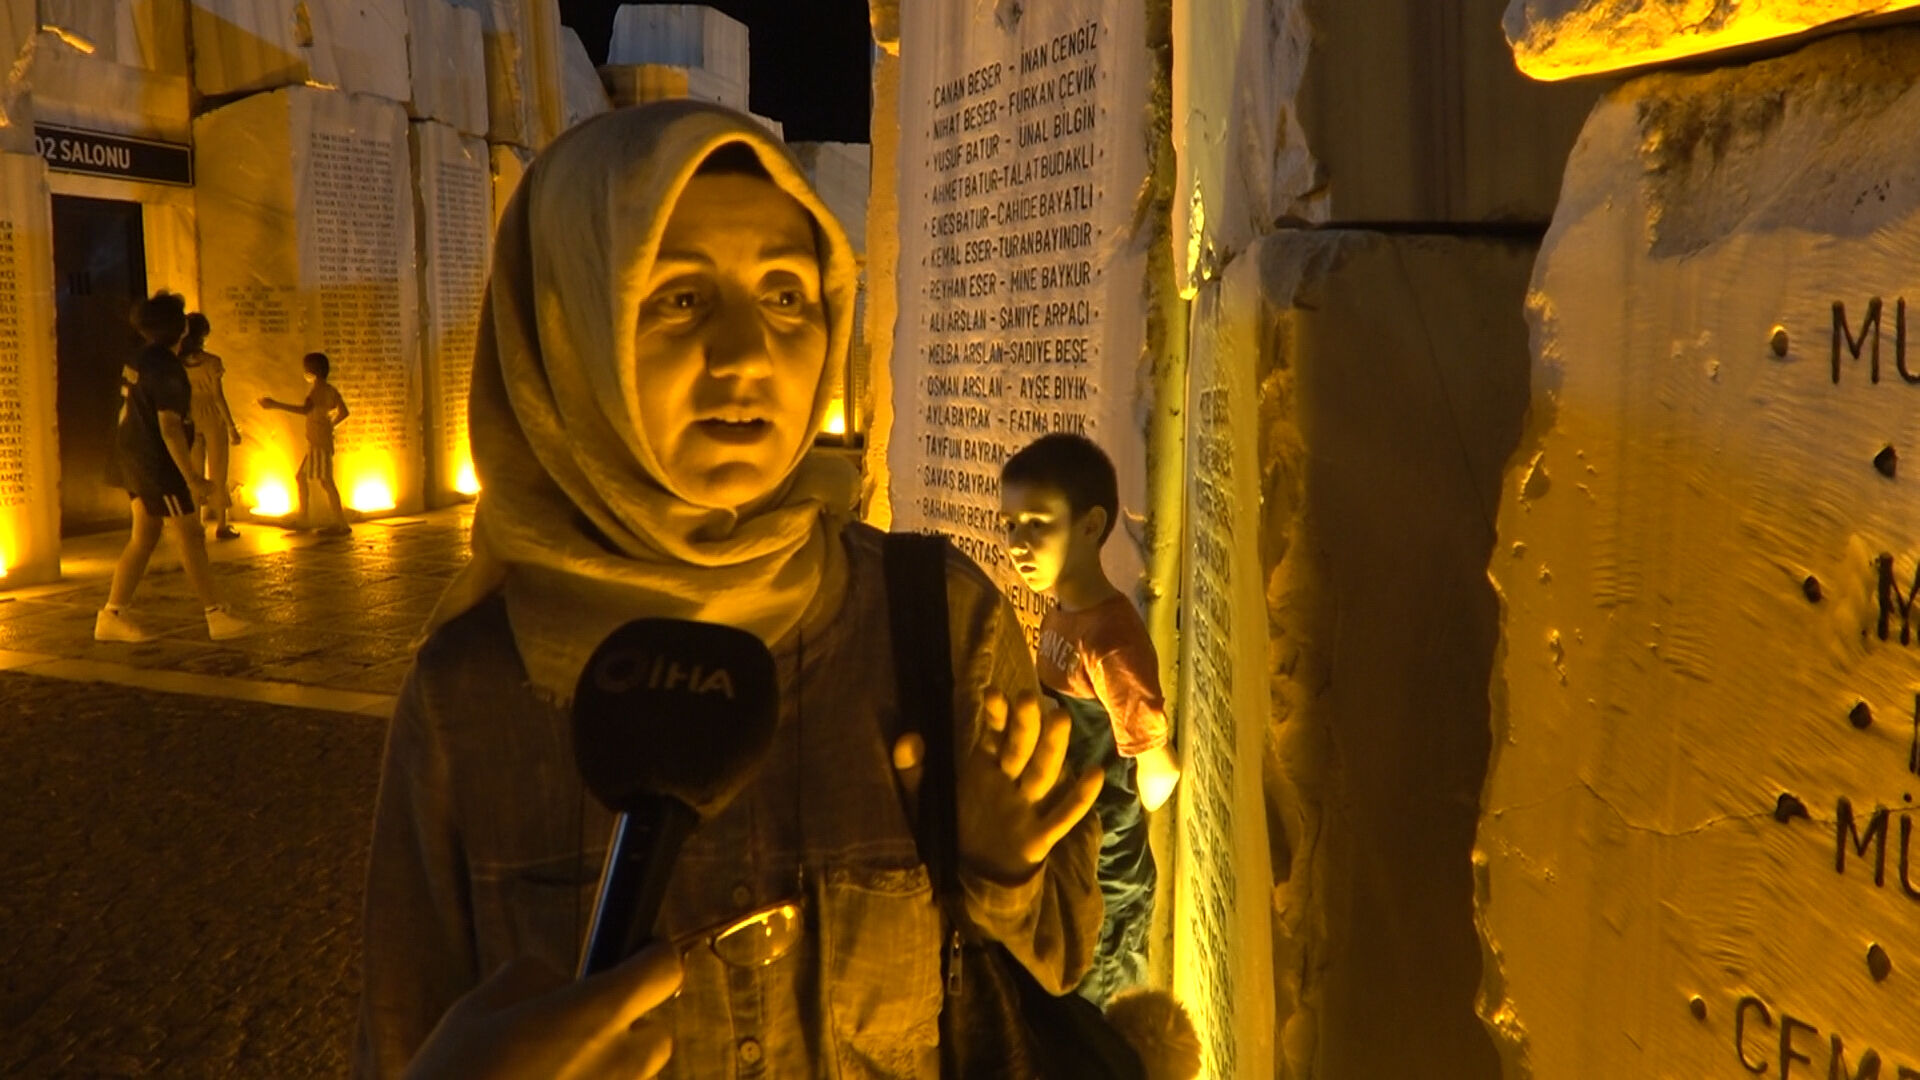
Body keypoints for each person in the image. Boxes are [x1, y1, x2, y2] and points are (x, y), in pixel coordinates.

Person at [353, 101, 1105, 1080]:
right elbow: (399, 1034)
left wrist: (1001, 870)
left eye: (787, 296)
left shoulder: (938, 622)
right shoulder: (472, 696)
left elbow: (1054, 970)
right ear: (569, 327)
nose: (747, 353)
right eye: (676, 299)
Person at [998, 432, 1180, 1006]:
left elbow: (1157, 775)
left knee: (1100, 1016)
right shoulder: (1060, 618)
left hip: (1108, 876)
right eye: (1011, 526)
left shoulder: (1111, 641)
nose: (1019, 543)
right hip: (1067, 857)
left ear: (1090, 525)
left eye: (1037, 524)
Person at [95, 291, 251, 643]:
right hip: (156, 465)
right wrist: (192, 477)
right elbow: (169, 427)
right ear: (180, 328)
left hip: (130, 457)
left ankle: (112, 614)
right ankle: (216, 613)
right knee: (190, 535)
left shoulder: (140, 358)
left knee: (145, 536)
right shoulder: (167, 369)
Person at [258, 351, 351, 538]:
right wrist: (330, 425)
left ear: (312, 371)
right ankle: (305, 517)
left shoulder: (316, 391)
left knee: (326, 482)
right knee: (302, 477)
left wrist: (275, 404)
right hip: (319, 440)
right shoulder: (330, 390)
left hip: (318, 443)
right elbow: (344, 412)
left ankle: (340, 523)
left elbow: (304, 410)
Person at [180, 312, 242, 540]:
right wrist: (231, 426)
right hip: (213, 418)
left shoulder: (179, 363)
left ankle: (196, 523)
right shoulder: (212, 362)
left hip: (190, 417)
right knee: (219, 470)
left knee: (194, 473)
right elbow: (218, 396)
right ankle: (222, 525)